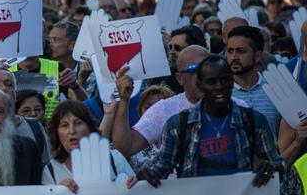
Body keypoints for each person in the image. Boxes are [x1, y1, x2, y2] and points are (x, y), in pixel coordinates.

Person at [137, 56, 283, 186]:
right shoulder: (178, 125)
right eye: (211, 82)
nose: (219, 87)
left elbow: (280, 164)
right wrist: (143, 178)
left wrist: (273, 167)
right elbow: (162, 168)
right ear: (200, 85)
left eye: (224, 80)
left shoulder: (253, 121)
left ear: (232, 82)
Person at [112, 45, 246, 158]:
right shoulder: (164, 111)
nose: (202, 75)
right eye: (193, 70)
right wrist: (124, 101)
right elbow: (125, 149)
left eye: (206, 68)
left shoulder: (240, 107)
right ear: (180, 78)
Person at [41, 101, 136, 193]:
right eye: (64, 125)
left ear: (90, 128)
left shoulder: (114, 158)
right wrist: (58, 192)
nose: (72, 131)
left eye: (78, 123)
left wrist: (135, 182)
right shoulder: (50, 170)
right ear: (56, 133)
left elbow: (138, 194)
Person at [226, 25, 281, 135]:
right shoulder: (221, 91)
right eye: (230, 51)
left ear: (257, 56)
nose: (234, 57)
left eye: (240, 51)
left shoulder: (275, 89)